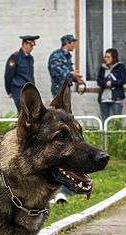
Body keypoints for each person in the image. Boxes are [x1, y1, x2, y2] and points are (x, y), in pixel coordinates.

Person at [48, 34, 84, 204]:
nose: (74, 46)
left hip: (65, 98)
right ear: (67, 43)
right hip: (58, 98)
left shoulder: (67, 56)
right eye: (73, 43)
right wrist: (72, 74)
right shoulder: (57, 56)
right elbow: (57, 74)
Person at [4, 35, 40, 113]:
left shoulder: (30, 58)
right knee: (23, 113)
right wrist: (9, 91)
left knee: (30, 113)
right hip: (19, 89)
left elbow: (30, 75)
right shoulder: (15, 57)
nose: (32, 48)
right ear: (24, 44)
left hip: (29, 89)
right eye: (30, 45)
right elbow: (8, 75)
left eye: (32, 45)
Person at [97, 48, 126, 120]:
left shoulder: (120, 67)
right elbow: (99, 81)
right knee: (104, 120)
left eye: (108, 57)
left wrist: (112, 83)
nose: (106, 59)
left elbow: (123, 80)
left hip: (116, 97)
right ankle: (104, 131)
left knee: (117, 120)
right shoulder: (102, 68)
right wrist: (106, 83)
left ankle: (118, 131)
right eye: (105, 57)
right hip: (104, 98)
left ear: (113, 58)